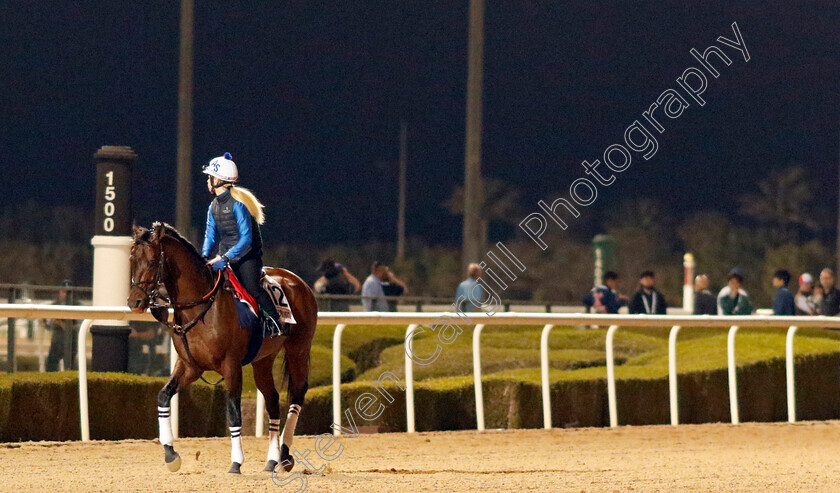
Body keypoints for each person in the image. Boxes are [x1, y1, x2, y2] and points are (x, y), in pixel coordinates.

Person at [201, 152, 285, 337]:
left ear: (218, 180)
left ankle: (276, 322)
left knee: (252, 288)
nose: (207, 181)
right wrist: (204, 256)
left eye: (209, 177)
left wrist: (225, 257)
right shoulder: (213, 206)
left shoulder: (238, 205)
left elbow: (246, 240)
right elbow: (210, 235)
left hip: (247, 257)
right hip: (224, 256)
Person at [45, 279, 77, 371]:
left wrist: (64, 325)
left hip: (71, 342)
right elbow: (47, 325)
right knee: (50, 367)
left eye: (68, 292)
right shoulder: (54, 305)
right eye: (63, 292)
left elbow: (81, 325)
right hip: (56, 342)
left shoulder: (77, 305)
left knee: (70, 367)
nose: (65, 295)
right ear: (60, 291)